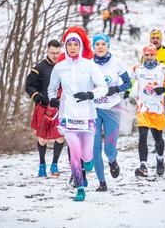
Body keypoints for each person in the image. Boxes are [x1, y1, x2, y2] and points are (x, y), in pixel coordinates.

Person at [48, 27, 108, 201]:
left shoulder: (90, 65)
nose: (72, 47)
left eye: (76, 44)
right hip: (68, 115)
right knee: (74, 150)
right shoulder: (59, 67)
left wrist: (90, 94)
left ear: (80, 46)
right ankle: (80, 187)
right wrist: (53, 99)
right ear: (65, 47)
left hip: (87, 115)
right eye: (69, 44)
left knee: (87, 155)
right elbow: (52, 88)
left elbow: (103, 87)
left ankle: (87, 163)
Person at [126, 44, 165, 177]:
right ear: (143, 55)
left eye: (151, 54)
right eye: (146, 55)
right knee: (142, 136)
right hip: (143, 109)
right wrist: (126, 92)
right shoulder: (138, 69)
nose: (149, 57)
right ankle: (143, 166)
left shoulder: (163, 69)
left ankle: (160, 159)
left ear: (155, 55)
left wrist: (164, 89)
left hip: (158, 109)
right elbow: (129, 83)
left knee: (157, 138)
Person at [92, 34, 131, 191]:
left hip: (112, 109)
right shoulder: (88, 65)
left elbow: (128, 83)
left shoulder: (117, 63)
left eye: (103, 44)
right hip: (93, 109)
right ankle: (102, 182)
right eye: (97, 44)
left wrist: (116, 89)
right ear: (94, 47)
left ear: (108, 46)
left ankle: (112, 160)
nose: (100, 47)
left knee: (109, 148)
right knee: (95, 148)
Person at [25, 40, 65, 177]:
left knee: (60, 137)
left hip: (60, 107)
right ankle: (42, 164)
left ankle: (54, 164)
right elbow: (29, 86)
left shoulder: (64, 66)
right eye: (52, 53)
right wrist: (37, 97)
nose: (55, 55)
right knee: (42, 139)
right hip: (43, 107)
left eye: (57, 53)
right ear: (47, 51)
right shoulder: (40, 67)